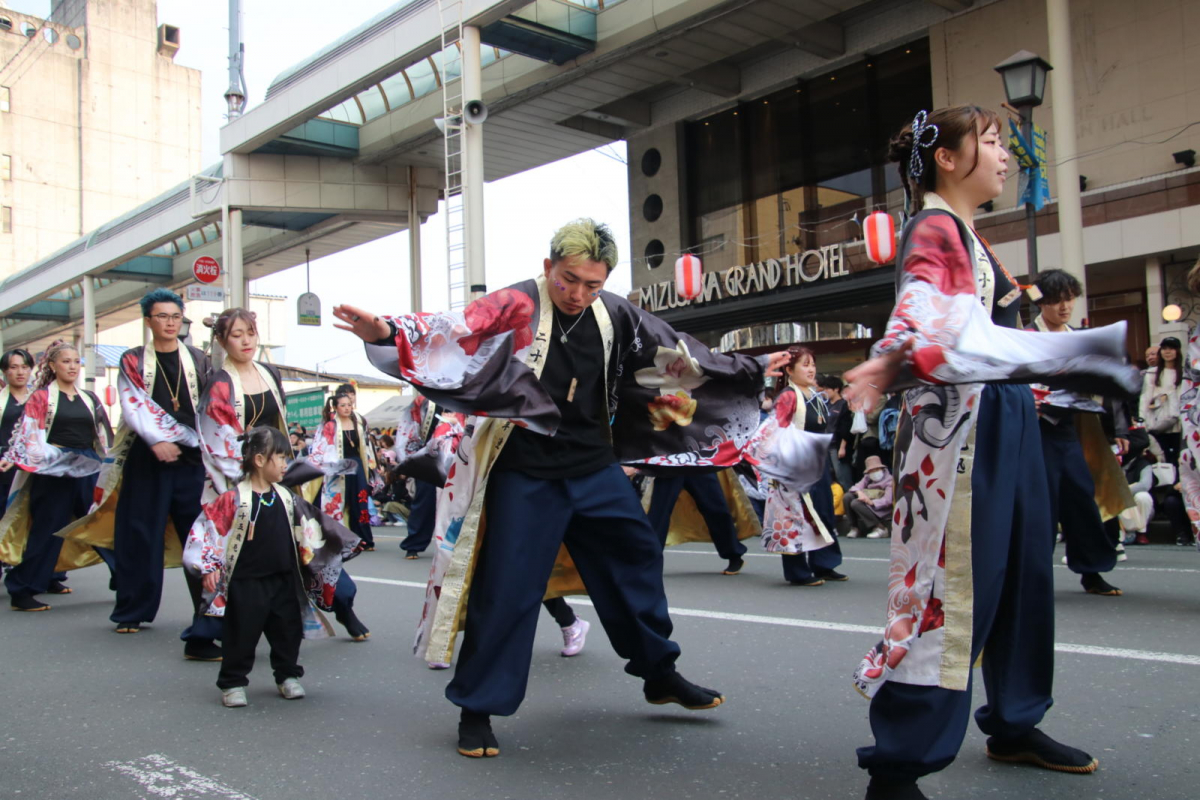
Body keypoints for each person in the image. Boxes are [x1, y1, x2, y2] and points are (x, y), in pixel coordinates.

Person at [334, 217, 787, 758]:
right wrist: (386, 333)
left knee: (637, 559)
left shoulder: (616, 314)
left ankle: (658, 672)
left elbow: (681, 356)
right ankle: (477, 708)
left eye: (592, 284)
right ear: (548, 266)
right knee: (508, 588)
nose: (577, 293)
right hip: (525, 471)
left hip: (593, 466)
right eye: (568, 279)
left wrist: (749, 366)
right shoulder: (519, 304)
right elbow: (455, 329)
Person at [845, 106, 1140, 800]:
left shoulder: (967, 232)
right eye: (990, 141)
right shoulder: (934, 226)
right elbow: (925, 301)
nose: (1005, 155)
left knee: (1024, 575)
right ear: (946, 158)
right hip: (961, 432)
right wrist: (893, 354)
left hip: (1003, 416)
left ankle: (1014, 719)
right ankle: (900, 761)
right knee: (951, 589)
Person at [198, 308, 370, 642]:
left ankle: (344, 606)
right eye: (236, 335)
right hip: (241, 482)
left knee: (311, 546)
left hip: (276, 478)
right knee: (236, 558)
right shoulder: (219, 384)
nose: (246, 341)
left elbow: (278, 429)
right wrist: (253, 474)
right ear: (221, 340)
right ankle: (205, 632)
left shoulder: (269, 372)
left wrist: (282, 470)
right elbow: (216, 442)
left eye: (250, 333)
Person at [183, 426, 361, 708]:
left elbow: (313, 526)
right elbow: (208, 530)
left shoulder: (286, 497)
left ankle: (288, 674)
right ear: (259, 460)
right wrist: (208, 566)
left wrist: (338, 544)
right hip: (246, 581)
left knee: (287, 631)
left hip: (284, 577)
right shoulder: (233, 499)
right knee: (242, 632)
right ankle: (233, 681)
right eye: (279, 457)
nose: (285, 464)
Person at [1028, 270, 1129, 597]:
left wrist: (1120, 430)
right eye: (1056, 300)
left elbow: (1110, 385)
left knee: (1081, 498)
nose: (1064, 307)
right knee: (1041, 504)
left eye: (1069, 299)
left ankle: (1092, 571)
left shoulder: (1081, 337)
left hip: (1073, 429)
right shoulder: (1026, 337)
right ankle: (1034, 578)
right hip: (1035, 431)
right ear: (1041, 302)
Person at [0, 342, 113, 611]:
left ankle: (128, 578)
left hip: (88, 468)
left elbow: (105, 437)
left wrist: (113, 466)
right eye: (65, 361)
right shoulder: (41, 398)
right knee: (49, 529)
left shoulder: (89, 398)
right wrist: (14, 458)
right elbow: (29, 435)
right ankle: (22, 588)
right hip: (53, 470)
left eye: (75, 361)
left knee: (101, 523)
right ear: (52, 366)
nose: (72, 366)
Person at [761, 346, 845, 586]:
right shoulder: (788, 396)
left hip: (817, 462)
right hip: (795, 464)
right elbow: (775, 431)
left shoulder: (816, 396)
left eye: (813, 364)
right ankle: (797, 571)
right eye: (805, 365)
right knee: (795, 516)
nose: (811, 370)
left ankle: (824, 564)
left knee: (823, 511)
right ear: (789, 370)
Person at [645, 470, 752, 575]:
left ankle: (734, 554)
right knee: (659, 513)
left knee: (716, 509)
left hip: (699, 464)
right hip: (670, 466)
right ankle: (649, 559)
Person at [310, 393, 378, 550]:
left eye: (349, 405)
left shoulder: (359, 422)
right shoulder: (330, 425)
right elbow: (324, 447)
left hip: (357, 465)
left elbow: (367, 446)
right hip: (338, 465)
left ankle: (364, 539)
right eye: (343, 405)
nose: (347, 408)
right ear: (335, 407)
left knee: (360, 501)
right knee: (337, 501)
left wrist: (373, 465)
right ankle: (338, 539)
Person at [0, 348, 34, 516]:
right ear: (5, 371)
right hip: (3, 467)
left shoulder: (42, 400)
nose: (20, 372)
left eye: (24, 367)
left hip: (31, 466)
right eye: (14, 367)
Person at [1140, 336, 1183, 466]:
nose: (1167, 352)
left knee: (1178, 461)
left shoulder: (1184, 373)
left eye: (1171, 348)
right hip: (1156, 424)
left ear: (1178, 351)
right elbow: (1145, 398)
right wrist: (1142, 422)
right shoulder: (1152, 373)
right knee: (1162, 461)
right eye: (1164, 348)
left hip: (1178, 425)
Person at [818, 374, 854, 490]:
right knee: (830, 475)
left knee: (841, 474)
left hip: (837, 445)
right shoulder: (826, 404)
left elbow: (846, 427)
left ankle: (849, 496)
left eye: (828, 388)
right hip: (826, 444)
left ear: (836, 389)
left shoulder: (844, 404)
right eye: (824, 388)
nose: (825, 391)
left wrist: (842, 447)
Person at [846, 455, 893, 539]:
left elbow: (888, 500)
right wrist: (859, 492)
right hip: (867, 502)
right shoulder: (867, 478)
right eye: (871, 471)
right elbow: (855, 487)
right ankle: (854, 527)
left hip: (881, 507)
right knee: (847, 497)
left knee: (855, 503)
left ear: (882, 469)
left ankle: (880, 528)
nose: (874, 472)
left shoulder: (890, 480)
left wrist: (872, 502)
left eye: (877, 469)